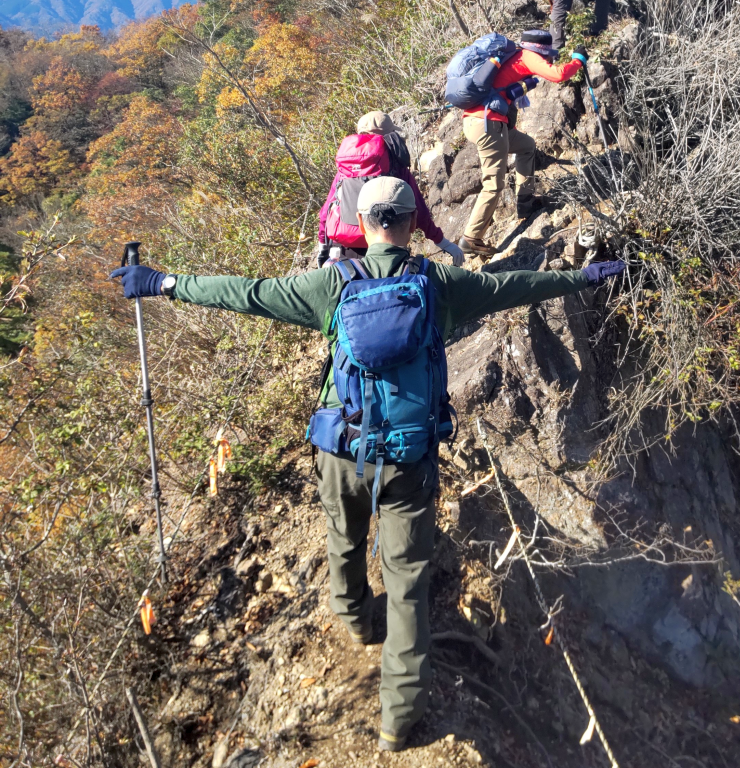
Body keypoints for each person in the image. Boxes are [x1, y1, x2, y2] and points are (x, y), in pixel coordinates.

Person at [110, 177, 625, 752]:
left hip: (341, 450)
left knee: (344, 538)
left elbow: (248, 293)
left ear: (362, 222)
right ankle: (397, 722)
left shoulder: (332, 283)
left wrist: (164, 282)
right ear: (408, 222)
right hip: (408, 459)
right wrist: (580, 276)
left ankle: (355, 620)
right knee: (407, 587)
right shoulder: (438, 282)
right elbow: (510, 286)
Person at [458, 30, 588, 258]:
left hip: (481, 121)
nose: (548, 59)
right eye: (548, 54)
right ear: (541, 49)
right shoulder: (528, 56)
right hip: (488, 124)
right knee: (493, 185)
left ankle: (525, 202)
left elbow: (503, 93)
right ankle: (471, 238)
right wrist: (578, 60)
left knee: (526, 145)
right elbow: (557, 74)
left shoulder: (513, 56)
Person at [318, 110, 464, 267]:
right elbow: (419, 210)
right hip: (385, 247)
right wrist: (442, 242)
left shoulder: (347, 166)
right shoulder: (395, 165)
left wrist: (323, 247)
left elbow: (327, 211)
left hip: (343, 247)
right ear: (389, 135)